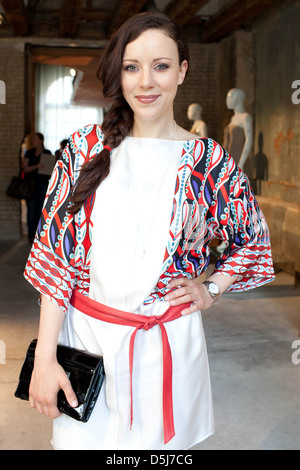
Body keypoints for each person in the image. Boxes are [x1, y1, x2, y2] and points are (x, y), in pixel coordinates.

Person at [24, 12, 275, 451]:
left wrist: (211, 289)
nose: (146, 82)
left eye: (160, 65)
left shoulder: (209, 161)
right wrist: (45, 357)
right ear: (118, 72)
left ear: (182, 71)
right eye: (131, 66)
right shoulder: (84, 149)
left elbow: (252, 239)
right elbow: (54, 258)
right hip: (87, 341)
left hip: (168, 346)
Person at [22, 132, 52, 243]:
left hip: (43, 184)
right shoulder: (29, 153)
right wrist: (36, 166)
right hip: (31, 185)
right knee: (31, 211)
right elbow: (25, 169)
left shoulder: (47, 152)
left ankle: (40, 237)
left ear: (40, 141)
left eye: (35, 139)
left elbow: (50, 170)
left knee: (42, 210)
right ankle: (31, 236)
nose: (33, 140)